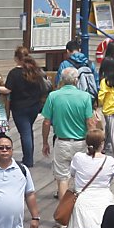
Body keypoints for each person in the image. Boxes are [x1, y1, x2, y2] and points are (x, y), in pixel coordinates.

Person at [38, 67, 96, 204]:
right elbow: (90, 122)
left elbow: (46, 122)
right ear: (76, 80)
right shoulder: (85, 97)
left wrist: (45, 142)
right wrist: (94, 143)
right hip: (81, 142)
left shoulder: (53, 96)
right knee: (81, 177)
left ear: (62, 80)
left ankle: (64, 218)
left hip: (62, 141)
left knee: (62, 179)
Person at [67, 131, 114, 228]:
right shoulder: (110, 161)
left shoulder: (78, 157)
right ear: (101, 144)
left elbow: (73, 173)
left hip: (82, 203)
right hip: (103, 204)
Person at [5, 46, 49, 167]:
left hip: (19, 107)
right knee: (28, 130)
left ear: (16, 58)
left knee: (25, 133)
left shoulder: (14, 73)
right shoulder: (35, 71)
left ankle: (28, 160)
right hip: (34, 106)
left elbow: (8, 89)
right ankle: (28, 157)